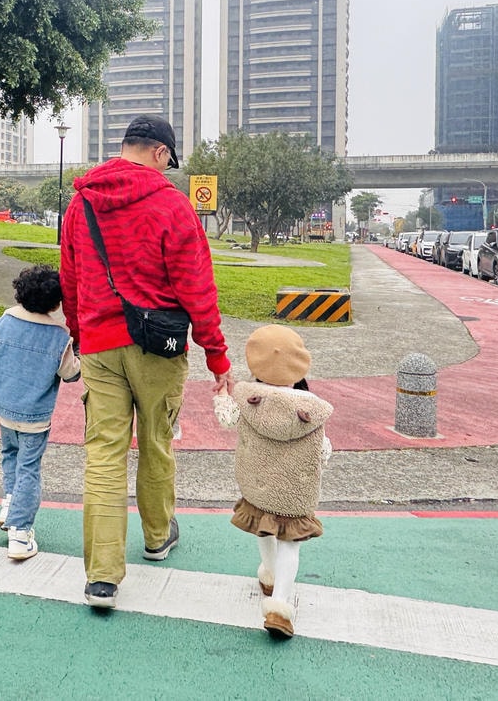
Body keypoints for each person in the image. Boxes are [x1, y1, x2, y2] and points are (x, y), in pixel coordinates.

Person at [59, 114, 232, 609]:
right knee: (156, 441)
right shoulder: (172, 205)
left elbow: (70, 278)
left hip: (99, 344)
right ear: (160, 152)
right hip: (160, 348)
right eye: (169, 161)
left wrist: (80, 333)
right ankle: (157, 536)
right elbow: (196, 287)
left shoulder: (82, 202)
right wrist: (217, 357)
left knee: (103, 453)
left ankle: (102, 577)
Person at [212, 325, 333, 638]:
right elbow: (323, 452)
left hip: (258, 486)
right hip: (294, 494)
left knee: (263, 525)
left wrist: (223, 394)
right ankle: (279, 606)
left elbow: (226, 418)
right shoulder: (311, 409)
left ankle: (268, 573)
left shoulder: (248, 400)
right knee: (290, 545)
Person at [0, 264, 80, 561]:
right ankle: (20, 533)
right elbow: (70, 374)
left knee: (10, 456)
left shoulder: (2, 321)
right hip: (35, 417)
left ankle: (9, 503)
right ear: (56, 303)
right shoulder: (58, 335)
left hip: (4, 407)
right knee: (29, 468)